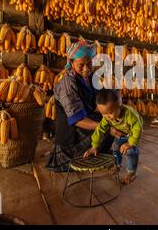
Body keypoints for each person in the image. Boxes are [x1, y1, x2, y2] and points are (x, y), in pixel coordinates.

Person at [46, 38, 124, 172]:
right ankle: (82, 156)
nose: (86, 68)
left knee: (113, 120)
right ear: (71, 62)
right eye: (81, 65)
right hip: (72, 136)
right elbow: (77, 119)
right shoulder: (67, 85)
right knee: (107, 126)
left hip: (86, 123)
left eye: (89, 64)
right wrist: (106, 128)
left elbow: (101, 102)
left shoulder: (91, 77)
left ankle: (98, 151)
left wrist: (118, 109)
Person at [84, 89, 143, 184]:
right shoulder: (107, 117)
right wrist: (94, 146)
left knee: (131, 151)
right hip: (121, 134)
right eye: (103, 113)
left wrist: (130, 143)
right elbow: (100, 129)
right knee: (115, 147)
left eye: (110, 113)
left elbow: (138, 129)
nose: (107, 116)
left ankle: (131, 172)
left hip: (132, 134)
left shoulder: (130, 115)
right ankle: (117, 165)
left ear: (119, 106)